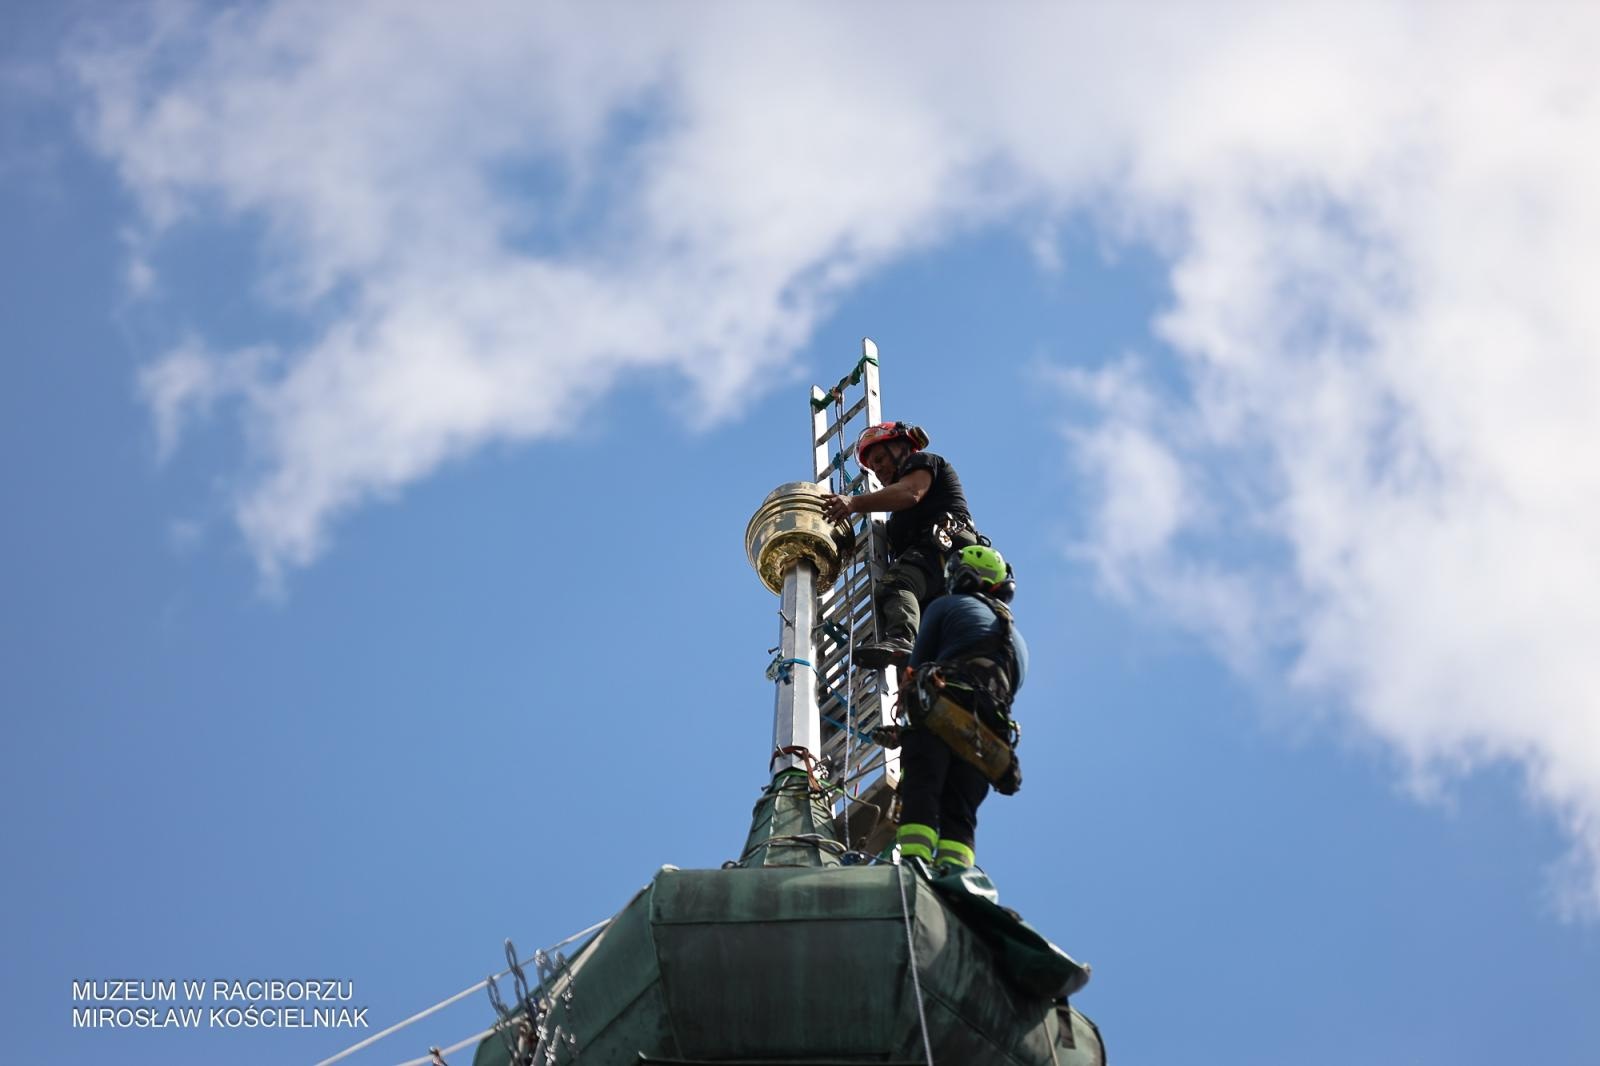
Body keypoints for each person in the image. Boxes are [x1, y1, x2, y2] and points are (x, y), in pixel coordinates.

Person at [893, 544, 1027, 874]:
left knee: (922, 784)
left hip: (943, 709)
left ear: (962, 577)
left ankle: (914, 861)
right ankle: (956, 874)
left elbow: (916, 665)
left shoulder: (947, 605)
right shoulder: (1019, 645)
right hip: (987, 735)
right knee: (960, 809)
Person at [821, 421, 978, 668]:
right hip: (940, 572)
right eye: (873, 466)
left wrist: (853, 503)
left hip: (946, 548)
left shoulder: (924, 462)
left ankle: (902, 640)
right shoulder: (896, 523)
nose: (878, 469)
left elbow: (910, 493)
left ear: (902, 447)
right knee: (930, 648)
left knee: (896, 585)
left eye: (881, 458)